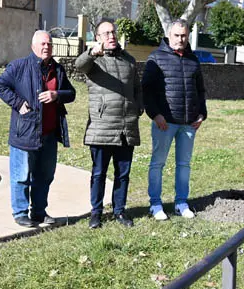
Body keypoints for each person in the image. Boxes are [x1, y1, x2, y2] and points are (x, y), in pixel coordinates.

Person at [0, 30, 76, 227]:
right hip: (25, 132)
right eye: (42, 44)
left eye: (49, 44)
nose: (46, 47)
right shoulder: (19, 66)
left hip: (49, 133)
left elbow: (71, 93)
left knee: (44, 175)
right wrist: (18, 103)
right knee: (21, 175)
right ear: (33, 46)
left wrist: (57, 94)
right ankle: (20, 212)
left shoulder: (58, 69)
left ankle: (38, 211)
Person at [75, 20, 141, 229]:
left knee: (123, 174)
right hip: (101, 127)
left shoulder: (129, 60)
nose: (111, 36)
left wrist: (139, 107)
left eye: (113, 32)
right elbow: (79, 65)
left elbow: (137, 87)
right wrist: (92, 53)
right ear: (98, 38)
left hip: (125, 128)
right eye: (106, 33)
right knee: (98, 173)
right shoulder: (94, 61)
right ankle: (96, 213)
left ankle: (119, 211)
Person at [142, 19, 207, 220]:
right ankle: (155, 204)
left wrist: (202, 113)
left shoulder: (193, 59)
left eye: (184, 36)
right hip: (165, 122)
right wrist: (155, 114)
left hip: (188, 123)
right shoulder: (156, 58)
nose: (181, 39)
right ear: (169, 35)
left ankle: (181, 202)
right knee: (157, 163)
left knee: (184, 164)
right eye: (177, 35)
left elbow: (200, 90)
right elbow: (146, 90)